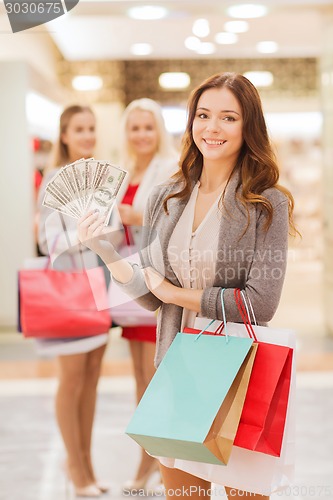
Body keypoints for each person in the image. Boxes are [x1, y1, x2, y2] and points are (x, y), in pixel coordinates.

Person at [77, 72, 297, 499]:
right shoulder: (167, 196)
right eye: (203, 115)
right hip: (177, 366)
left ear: (248, 126)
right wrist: (105, 251)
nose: (212, 128)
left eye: (228, 118)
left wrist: (176, 294)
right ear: (191, 121)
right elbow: (148, 295)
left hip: (241, 370)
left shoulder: (267, 202)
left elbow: (260, 304)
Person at [37, 105, 109, 498]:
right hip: (67, 292)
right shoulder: (52, 181)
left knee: (93, 378)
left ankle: (86, 464)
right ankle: (77, 470)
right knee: (73, 380)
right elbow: (48, 244)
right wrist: (79, 237)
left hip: (98, 288)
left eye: (91, 129)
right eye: (79, 129)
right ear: (64, 135)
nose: (86, 136)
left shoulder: (98, 180)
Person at [112, 98, 178, 492]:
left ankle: (154, 462)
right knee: (141, 379)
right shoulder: (121, 172)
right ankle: (151, 459)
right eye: (134, 128)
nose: (141, 135)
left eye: (148, 127)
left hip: (156, 284)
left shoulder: (169, 169)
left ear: (159, 130)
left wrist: (134, 215)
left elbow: (173, 218)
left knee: (155, 379)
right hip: (128, 284)